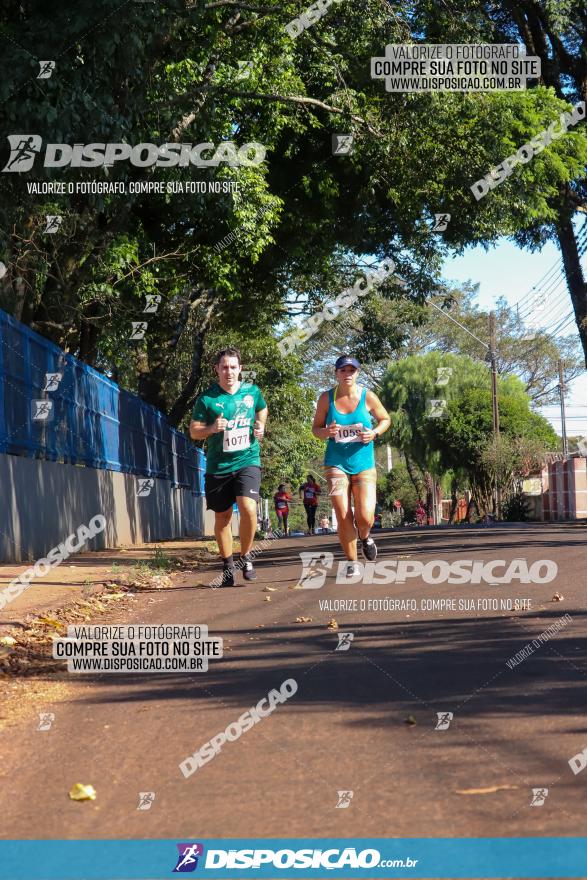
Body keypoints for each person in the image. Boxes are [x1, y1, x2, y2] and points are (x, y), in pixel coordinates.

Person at [189, 348, 268, 586]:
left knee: (248, 508)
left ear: (240, 369)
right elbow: (194, 431)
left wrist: (260, 426)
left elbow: (262, 408)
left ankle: (246, 557)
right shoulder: (207, 399)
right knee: (222, 517)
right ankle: (227, 565)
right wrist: (211, 428)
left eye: (233, 367)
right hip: (218, 465)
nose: (229, 372)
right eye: (224, 367)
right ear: (217, 370)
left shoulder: (252, 392)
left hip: (247, 459)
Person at [312, 355, 391, 578]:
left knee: (365, 517)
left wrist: (374, 432)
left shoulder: (368, 397)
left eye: (351, 371)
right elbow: (316, 429)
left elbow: (385, 419)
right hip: (335, 463)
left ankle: (365, 537)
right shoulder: (326, 399)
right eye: (343, 371)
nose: (347, 375)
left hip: (364, 463)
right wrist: (326, 432)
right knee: (342, 512)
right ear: (336, 373)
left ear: (357, 373)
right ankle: (352, 561)